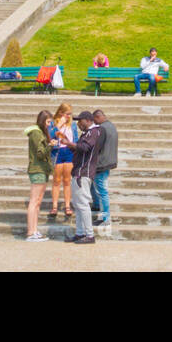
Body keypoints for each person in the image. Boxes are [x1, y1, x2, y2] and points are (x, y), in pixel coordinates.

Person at [58, 111, 103, 244]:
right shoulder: (88, 133)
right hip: (79, 172)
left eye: (80, 121)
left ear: (89, 120)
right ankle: (80, 233)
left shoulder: (93, 132)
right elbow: (80, 149)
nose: (78, 124)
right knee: (78, 205)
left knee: (83, 204)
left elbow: (85, 148)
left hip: (83, 172)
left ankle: (89, 235)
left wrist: (69, 143)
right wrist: (69, 145)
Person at [24, 109, 55, 241]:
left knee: (37, 202)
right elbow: (40, 153)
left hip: (42, 169)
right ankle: (31, 232)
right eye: (48, 122)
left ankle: (34, 231)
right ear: (43, 121)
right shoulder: (36, 133)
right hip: (37, 169)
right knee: (34, 201)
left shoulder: (39, 132)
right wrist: (50, 145)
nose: (49, 124)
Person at [48, 104, 77, 221]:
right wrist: (58, 125)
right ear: (60, 112)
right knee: (56, 180)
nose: (69, 116)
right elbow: (49, 136)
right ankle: (54, 206)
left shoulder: (73, 124)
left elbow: (75, 139)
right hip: (57, 152)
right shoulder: (53, 123)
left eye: (70, 114)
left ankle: (67, 205)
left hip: (68, 152)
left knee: (67, 180)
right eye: (67, 114)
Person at [91, 109, 117, 227]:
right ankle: (96, 205)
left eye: (94, 120)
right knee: (98, 188)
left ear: (97, 117)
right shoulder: (111, 126)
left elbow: (97, 146)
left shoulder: (102, 129)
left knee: (102, 191)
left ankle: (105, 218)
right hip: (109, 161)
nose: (94, 123)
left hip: (101, 163)